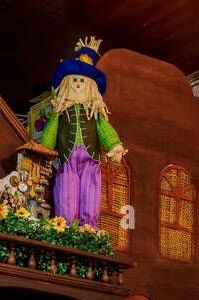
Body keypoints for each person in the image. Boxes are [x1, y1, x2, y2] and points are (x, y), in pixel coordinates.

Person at [38, 38, 126, 227]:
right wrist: (43, 150)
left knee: (91, 189)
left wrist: (114, 146)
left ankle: (89, 227)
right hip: (66, 159)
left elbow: (104, 128)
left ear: (91, 88)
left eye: (82, 82)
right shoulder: (60, 112)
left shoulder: (94, 113)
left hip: (91, 158)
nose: (78, 84)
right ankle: (68, 226)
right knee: (66, 189)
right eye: (75, 81)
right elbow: (51, 131)